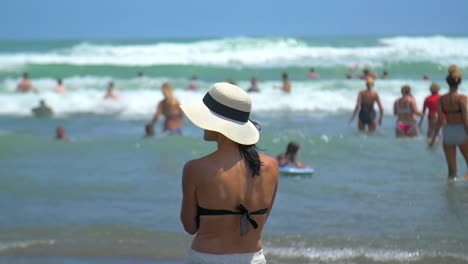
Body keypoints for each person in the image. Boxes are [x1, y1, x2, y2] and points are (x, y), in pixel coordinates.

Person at [179, 82, 278, 263]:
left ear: (219, 125)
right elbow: (261, 223)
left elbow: (190, 226)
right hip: (254, 258)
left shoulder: (195, 169)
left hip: (208, 258)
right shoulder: (271, 166)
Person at [429, 65, 468, 180]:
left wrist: (433, 139)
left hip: (448, 134)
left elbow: (440, 120)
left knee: (451, 172)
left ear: (448, 83)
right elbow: (466, 120)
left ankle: (451, 194)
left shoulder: (441, 99)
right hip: (462, 132)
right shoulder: (462, 98)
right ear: (459, 82)